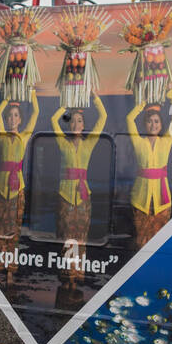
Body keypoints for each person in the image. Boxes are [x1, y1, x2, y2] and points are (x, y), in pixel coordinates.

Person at [51, 93, 106, 284]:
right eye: (72, 121)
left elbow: (103, 118)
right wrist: (66, 105)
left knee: (81, 238)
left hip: (84, 198)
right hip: (64, 196)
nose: (75, 124)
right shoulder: (62, 143)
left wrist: (94, 98)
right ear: (69, 124)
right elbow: (53, 120)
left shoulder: (89, 143)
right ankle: (66, 276)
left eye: (79, 121)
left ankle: (78, 276)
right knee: (66, 238)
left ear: (83, 125)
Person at [0, 89, 38, 287]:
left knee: (14, 231)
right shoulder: (2, 134)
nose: (11, 118)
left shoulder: (25, 136)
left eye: (15, 116)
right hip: (0, 188)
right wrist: (8, 97)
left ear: (20, 120)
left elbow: (36, 113)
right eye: (9, 116)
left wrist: (32, 92)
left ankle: (11, 271)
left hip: (18, 188)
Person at [128, 89, 172, 248]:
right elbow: (129, 119)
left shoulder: (167, 141)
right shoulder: (138, 142)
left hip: (162, 201)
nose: (153, 124)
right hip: (140, 200)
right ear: (145, 124)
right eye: (150, 121)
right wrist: (143, 103)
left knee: (160, 244)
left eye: (156, 121)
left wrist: (171, 93)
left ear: (161, 124)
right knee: (141, 243)